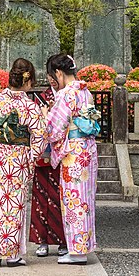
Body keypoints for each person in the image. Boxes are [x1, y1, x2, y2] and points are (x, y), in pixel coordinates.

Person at [0, 57, 46, 267]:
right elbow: (39, 138)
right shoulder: (30, 106)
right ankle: (12, 255)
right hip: (17, 161)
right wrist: (32, 157)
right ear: (28, 81)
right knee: (14, 206)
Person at [43, 52, 99, 264]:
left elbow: (55, 128)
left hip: (73, 153)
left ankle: (77, 252)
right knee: (85, 200)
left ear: (58, 72)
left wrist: (44, 117)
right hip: (88, 149)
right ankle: (83, 246)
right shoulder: (85, 92)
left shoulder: (67, 94)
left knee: (73, 199)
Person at [29, 71, 67, 258]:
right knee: (41, 196)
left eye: (55, 74)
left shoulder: (68, 95)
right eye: (50, 74)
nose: (53, 78)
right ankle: (41, 240)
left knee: (60, 197)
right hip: (44, 153)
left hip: (63, 153)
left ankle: (63, 240)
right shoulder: (42, 97)